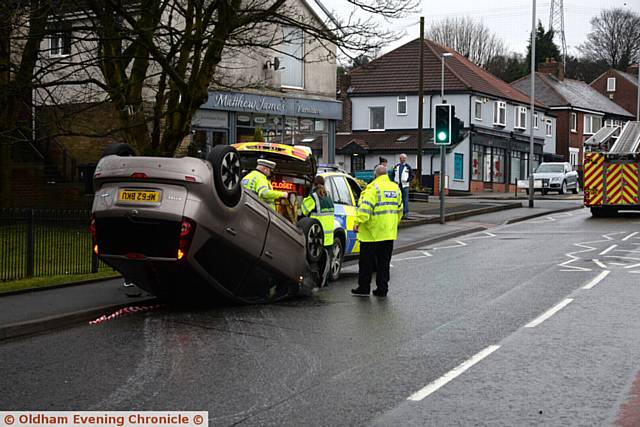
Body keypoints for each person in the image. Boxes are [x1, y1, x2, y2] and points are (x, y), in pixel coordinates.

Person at [351, 164, 403, 297]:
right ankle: (382, 289)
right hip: (388, 233)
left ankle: (364, 288)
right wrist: (393, 224)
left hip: (371, 233)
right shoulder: (395, 188)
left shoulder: (372, 188)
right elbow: (400, 210)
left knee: (366, 263)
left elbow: (365, 209)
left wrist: (357, 222)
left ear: (375, 175)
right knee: (384, 263)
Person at [301, 175, 335, 250]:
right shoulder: (328, 196)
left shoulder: (314, 196)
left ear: (314, 184)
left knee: (317, 260)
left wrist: (304, 200)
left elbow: (304, 211)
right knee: (326, 260)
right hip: (328, 239)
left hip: (317, 237)